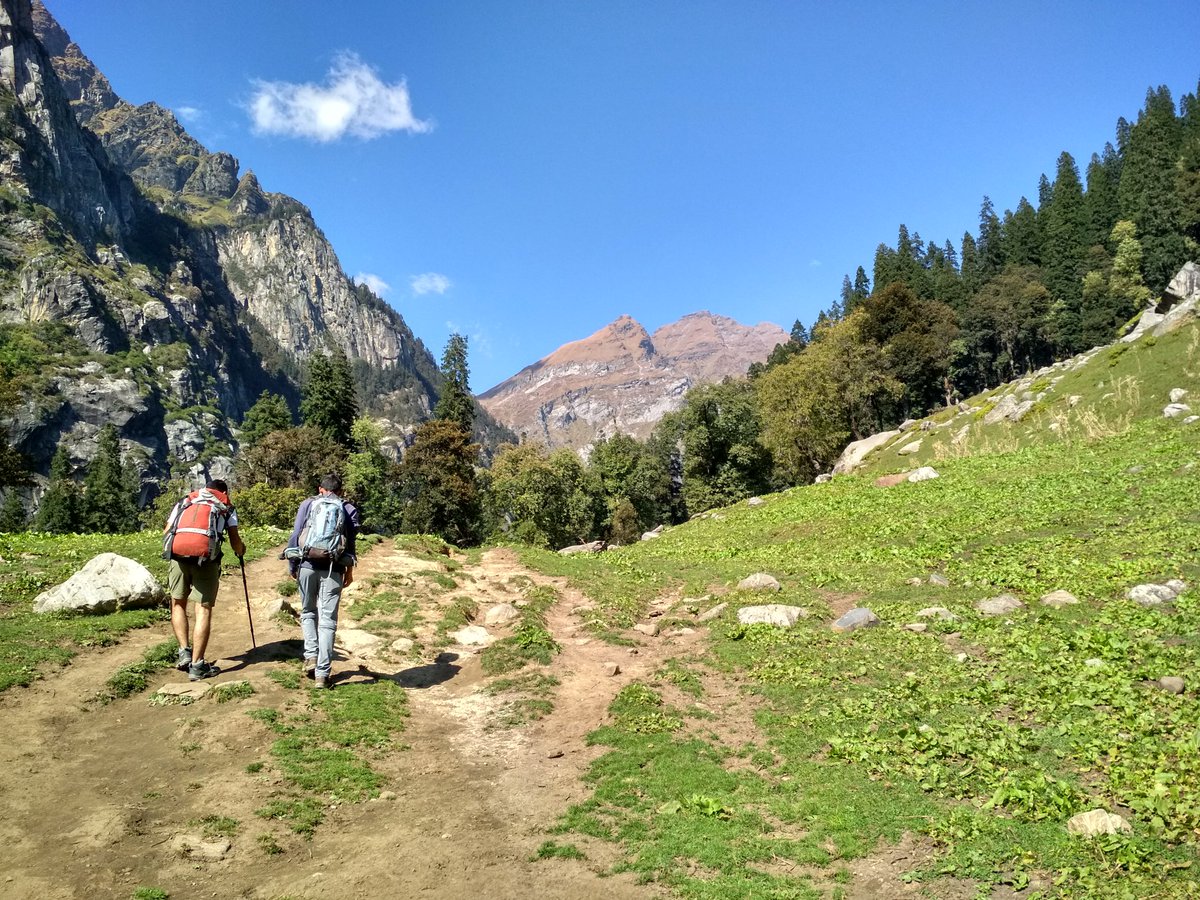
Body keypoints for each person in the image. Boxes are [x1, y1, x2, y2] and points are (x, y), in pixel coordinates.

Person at [162, 479, 245, 681]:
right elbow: (235, 542)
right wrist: (241, 551)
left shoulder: (185, 501)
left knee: (178, 604)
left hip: (178, 558)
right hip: (206, 561)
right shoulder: (226, 507)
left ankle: (184, 652)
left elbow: (167, 531)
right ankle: (198, 665)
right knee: (202, 609)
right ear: (224, 492)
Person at [286, 474, 360, 689]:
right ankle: (322, 674)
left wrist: (293, 566)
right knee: (328, 622)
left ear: (320, 489)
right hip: (333, 568)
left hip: (306, 565)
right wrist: (348, 570)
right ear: (341, 491)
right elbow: (350, 543)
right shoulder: (347, 508)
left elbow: (296, 534)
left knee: (308, 612)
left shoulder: (308, 504)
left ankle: (310, 656)